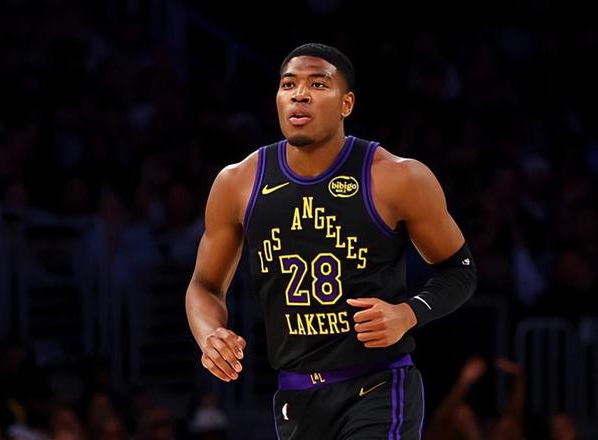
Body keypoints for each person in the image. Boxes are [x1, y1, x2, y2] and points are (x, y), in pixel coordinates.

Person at [185, 43, 477, 439]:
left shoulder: (396, 176)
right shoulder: (238, 182)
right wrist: (209, 333)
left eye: (318, 84)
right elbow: (204, 285)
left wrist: (408, 313)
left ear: (346, 103)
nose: (300, 94)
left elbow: (460, 270)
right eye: (289, 84)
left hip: (378, 385)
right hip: (296, 395)